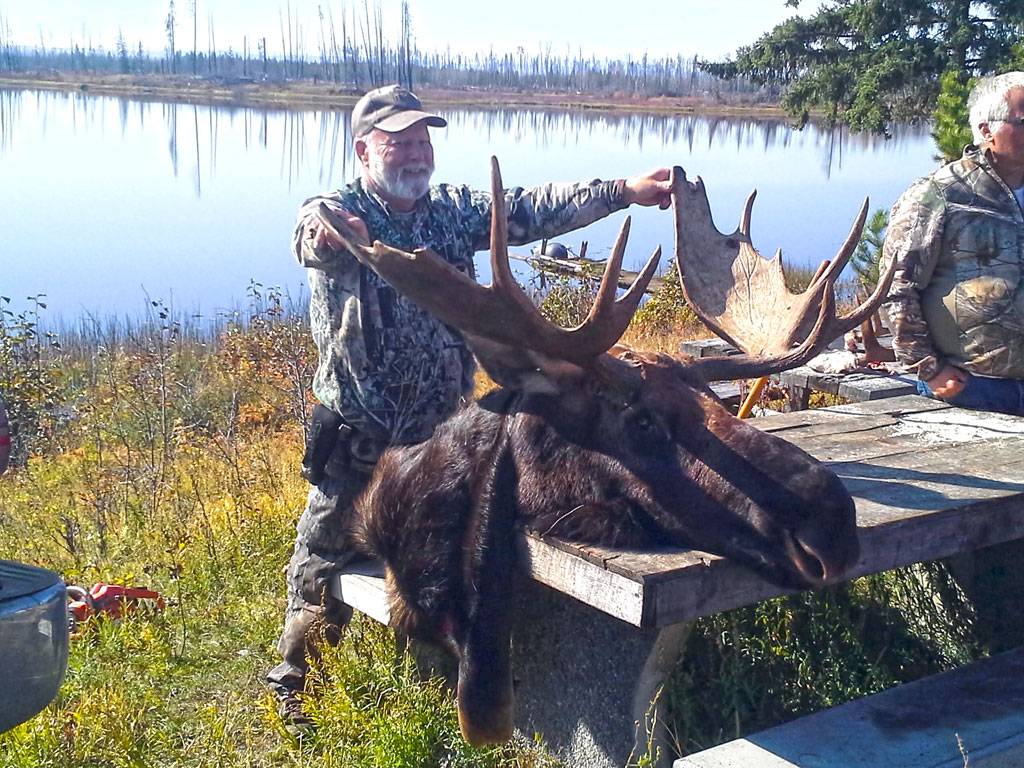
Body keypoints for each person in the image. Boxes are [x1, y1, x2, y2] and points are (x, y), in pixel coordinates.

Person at [266, 83, 673, 734]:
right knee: (323, 558)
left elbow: (528, 207)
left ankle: (437, 670)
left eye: (423, 139)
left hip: (440, 439)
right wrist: (329, 235)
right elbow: (309, 236)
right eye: (399, 140)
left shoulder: (451, 213)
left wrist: (623, 190)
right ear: (364, 148)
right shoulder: (338, 210)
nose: (414, 152)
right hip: (360, 438)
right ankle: (295, 684)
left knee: (448, 554)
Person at [883, 71, 1024, 415]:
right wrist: (928, 368)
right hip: (973, 388)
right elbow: (895, 287)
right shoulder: (940, 194)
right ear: (986, 131)